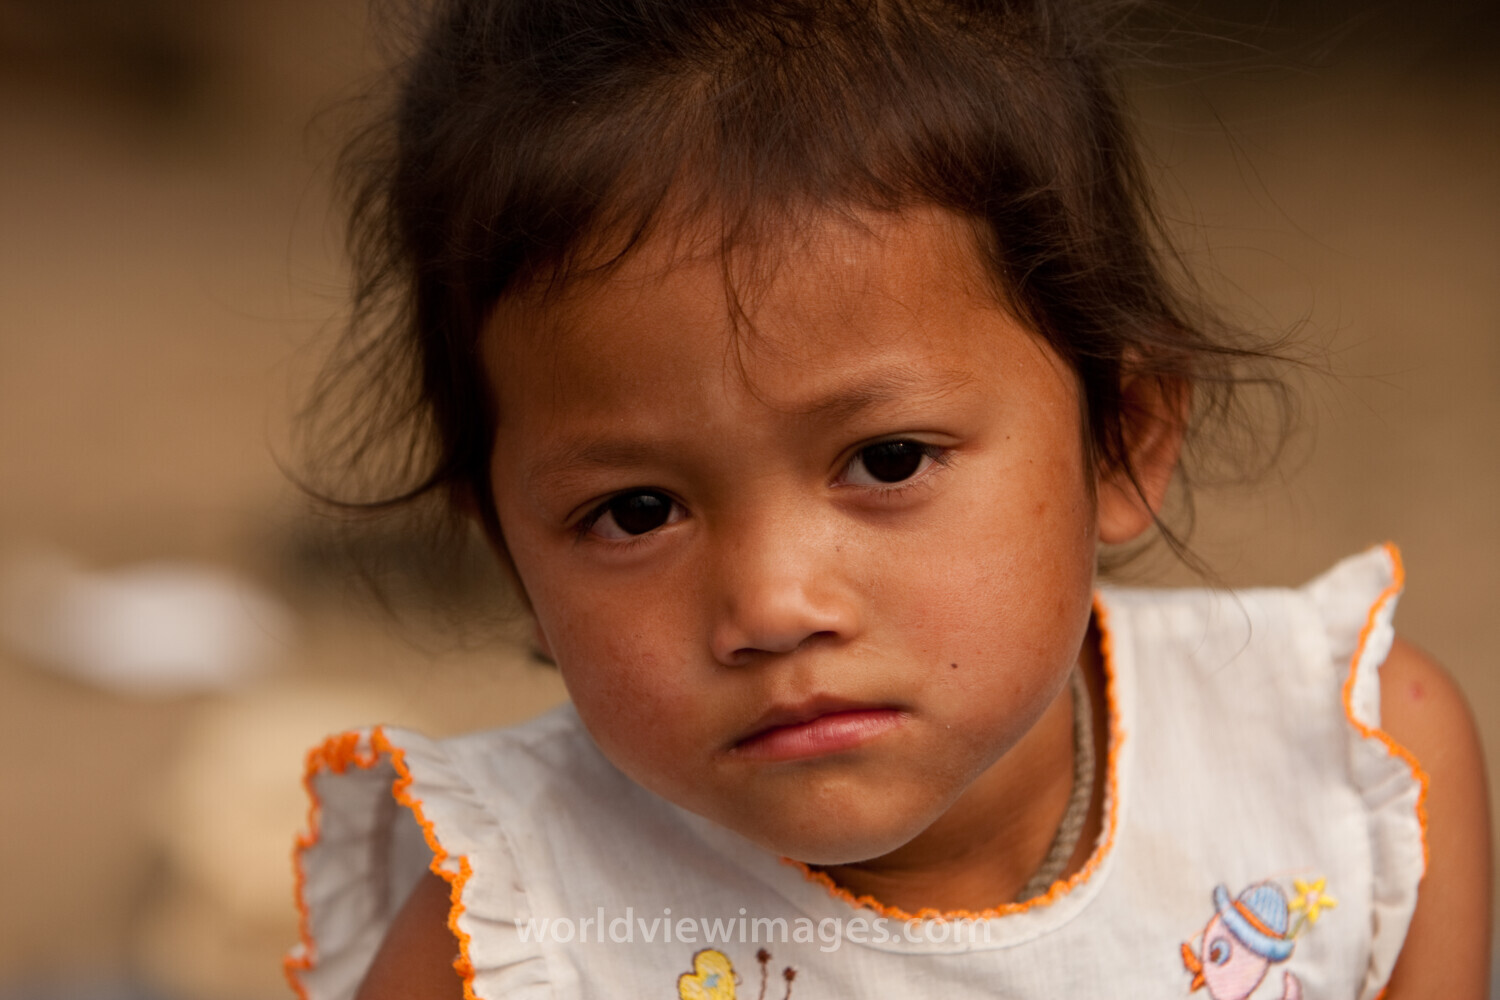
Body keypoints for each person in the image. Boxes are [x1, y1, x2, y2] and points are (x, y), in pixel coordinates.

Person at [283, 1, 1491, 997]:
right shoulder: (512, 930)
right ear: (509, 552)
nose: (772, 603)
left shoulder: (1342, 769)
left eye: (889, 460)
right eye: (638, 512)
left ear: (1119, 440)